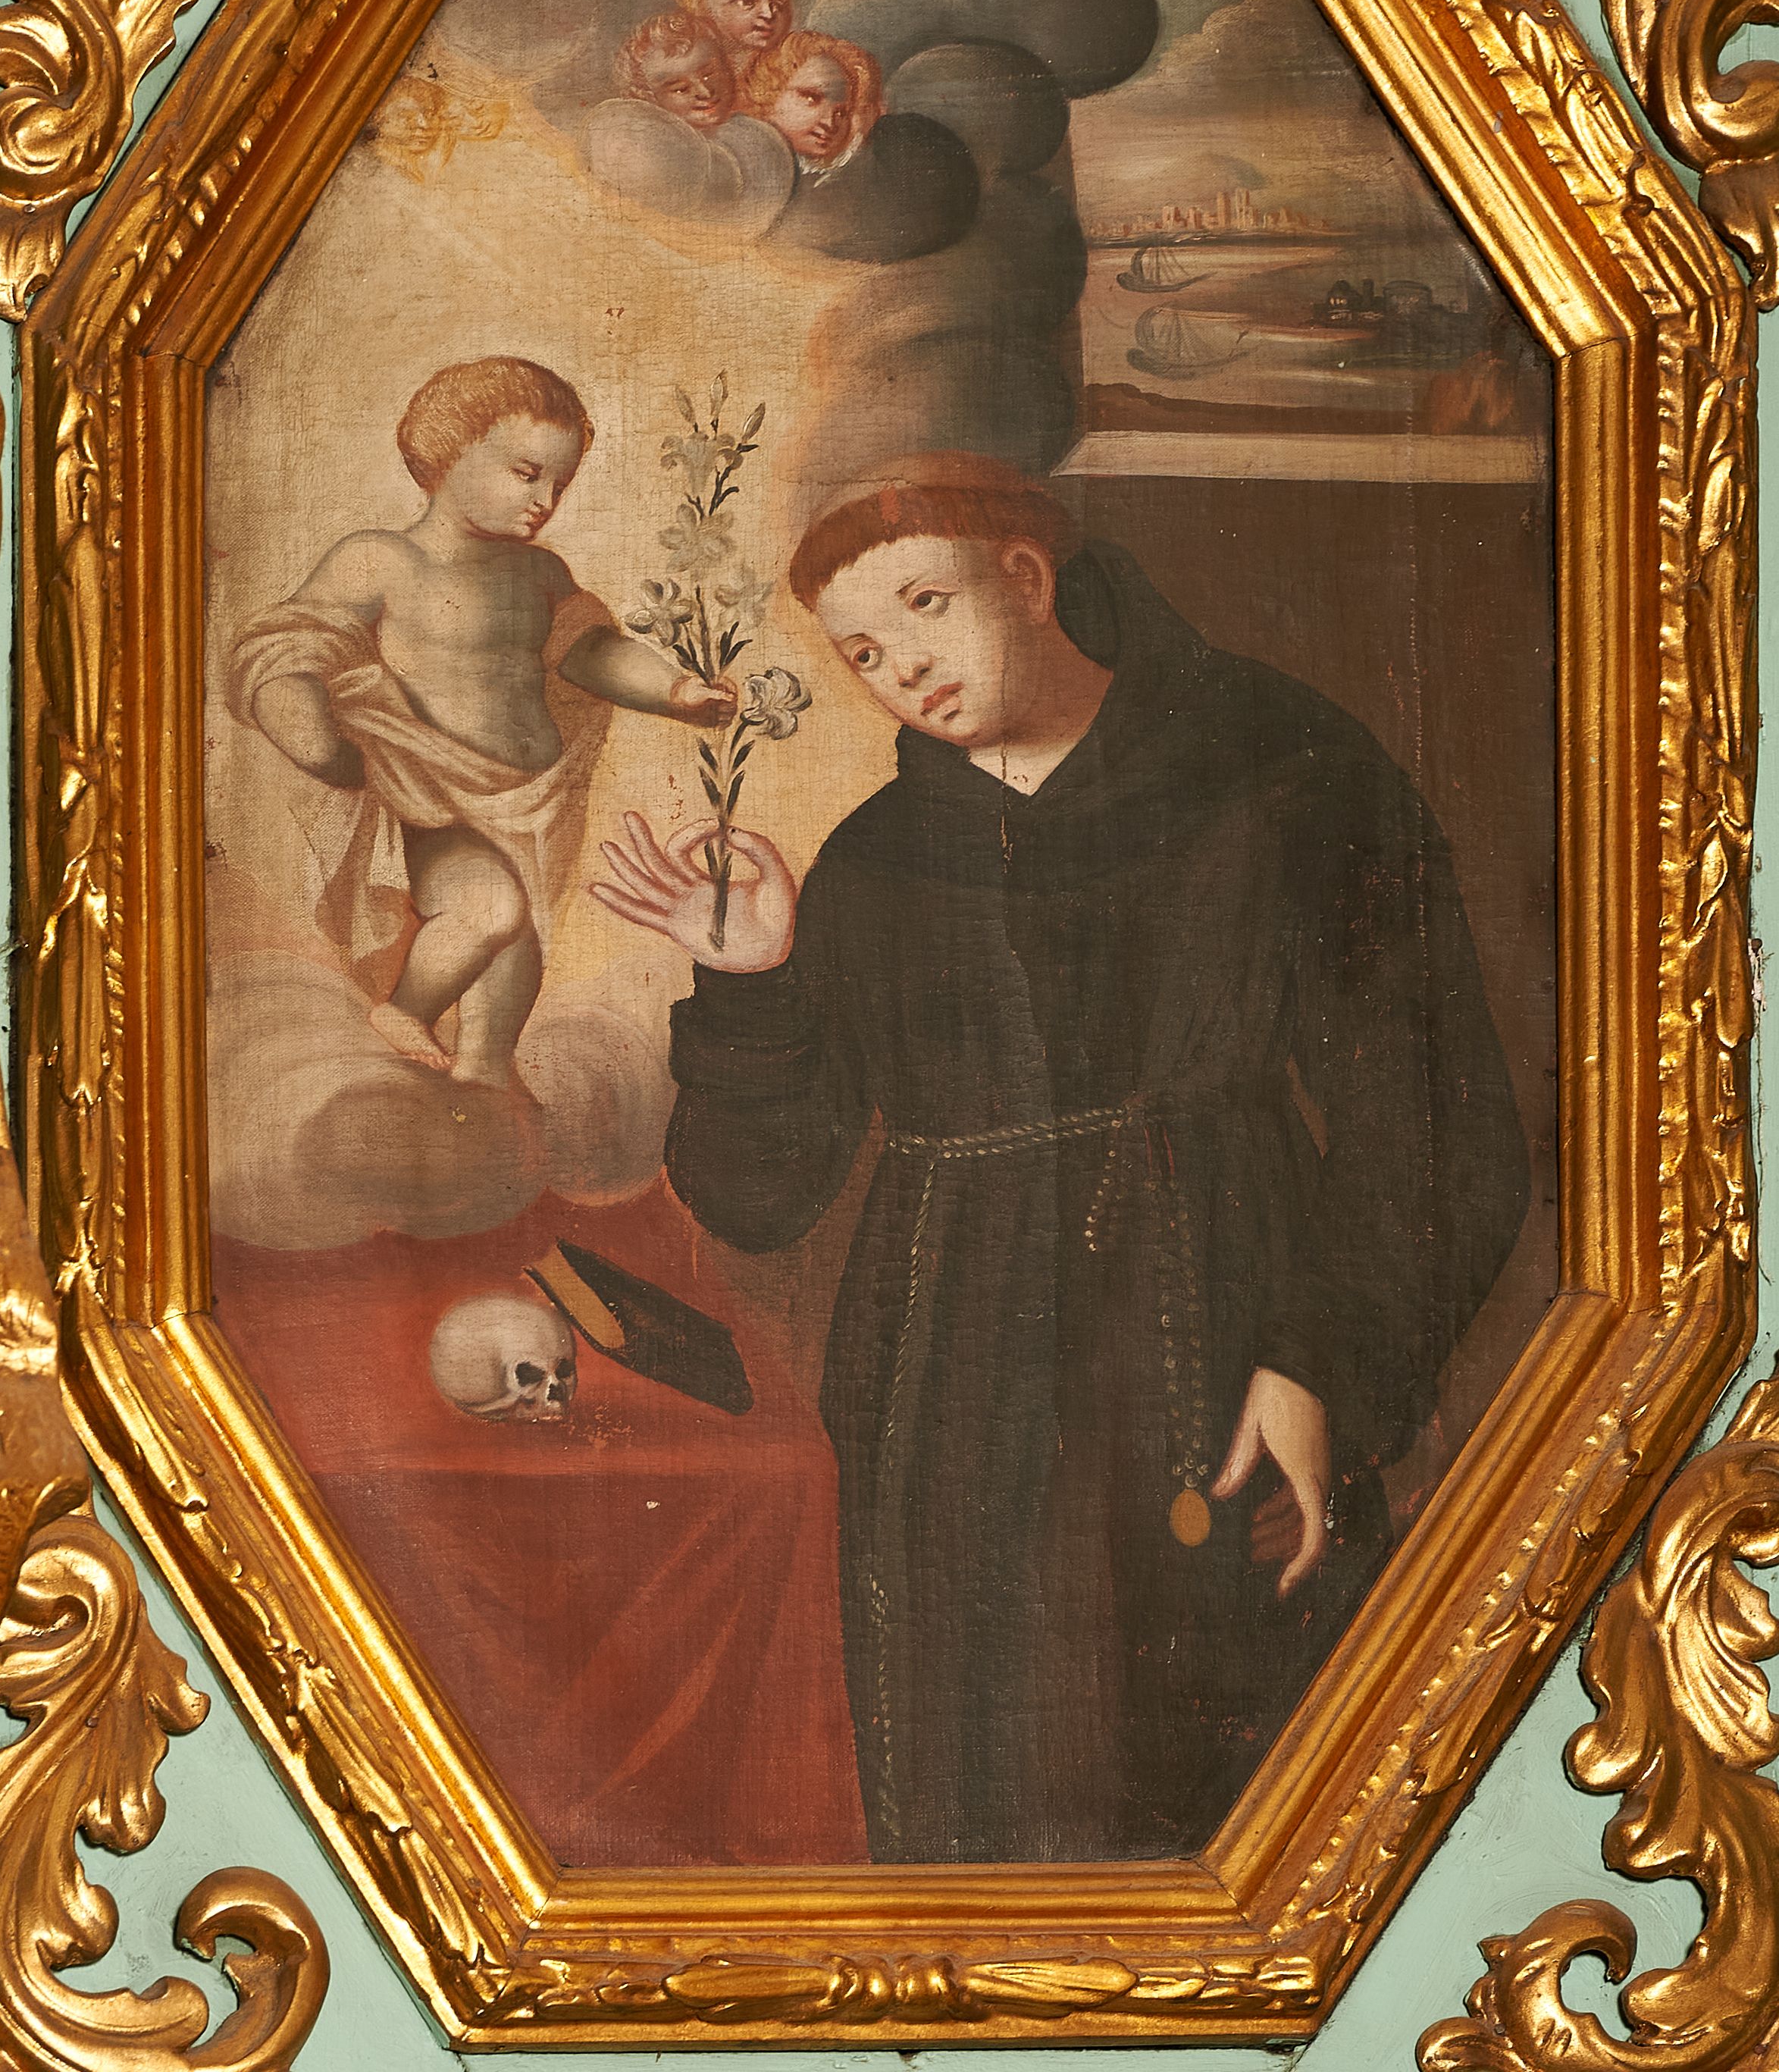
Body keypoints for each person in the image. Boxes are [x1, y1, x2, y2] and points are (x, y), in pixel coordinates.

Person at [594, 451, 1529, 1864]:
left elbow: (1432, 1117)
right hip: (950, 1411)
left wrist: (1325, 1366)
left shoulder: (1277, 769)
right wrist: (749, 986)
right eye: (862, 651)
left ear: (1026, 578)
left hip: (1221, 1344)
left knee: (1244, 1802)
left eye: (923, 605)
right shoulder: (877, 862)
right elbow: (758, 1197)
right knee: (981, 1806)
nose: (903, 667)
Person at [229, 358, 733, 1089]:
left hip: (532, 799)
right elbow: (295, 641)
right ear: (446, 452)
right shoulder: (381, 558)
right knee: (488, 909)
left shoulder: (540, 574)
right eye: (526, 474)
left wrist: (675, 690)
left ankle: (486, 1077)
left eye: (559, 484)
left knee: (518, 952)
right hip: (434, 795)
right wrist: (301, 720)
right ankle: (406, 1009)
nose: (544, 501)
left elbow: (591, 652)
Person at [741, 30, 882, 176]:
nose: (830, 123)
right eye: (812, 98)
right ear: (770, 90)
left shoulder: (831, 177)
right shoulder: (736, 157)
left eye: (841, 113)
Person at [613, 11, 737, 131]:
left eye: (708, 75)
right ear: (648, 98)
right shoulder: (650, 142)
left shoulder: (743, 129)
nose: (705, 93)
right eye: (681, 89)